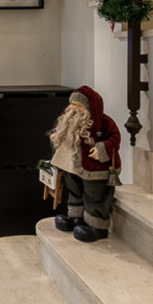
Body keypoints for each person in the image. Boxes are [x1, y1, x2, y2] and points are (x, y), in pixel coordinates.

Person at [47, 86, 122, 243]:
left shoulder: (104, 122)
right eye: (72, 104)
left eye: (78, 105)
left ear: (89, 106)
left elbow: (114, 138)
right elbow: (59, 130)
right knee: (74, 190)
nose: (74, 108)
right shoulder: (68, 119)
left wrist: (102, 149)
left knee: (94, 194)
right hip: (70, 165)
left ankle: (97, 226)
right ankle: (76, 217)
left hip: (94, 168)